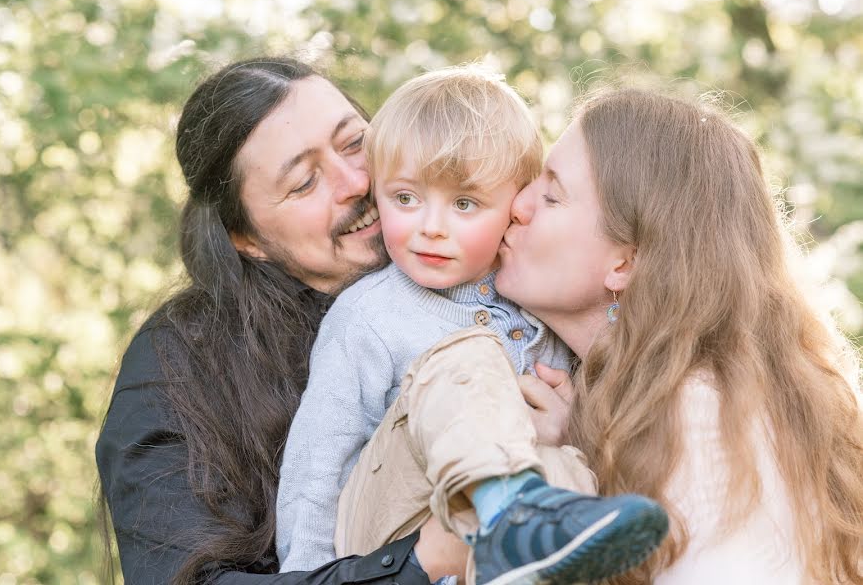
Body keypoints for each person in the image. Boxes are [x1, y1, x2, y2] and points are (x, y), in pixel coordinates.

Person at [276, 66, 668, 585]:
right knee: (469, 357)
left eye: (463, 204)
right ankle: (510, 513)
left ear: (515, 206)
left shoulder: (538, 311)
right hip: (387, 544)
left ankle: (525, 547)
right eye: (405, 198)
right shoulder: (370, 315)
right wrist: (307, 574)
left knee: (564, 464)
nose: (430, 227)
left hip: (480, 558)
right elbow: (317, 463)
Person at [493, 87, 863, 583]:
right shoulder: (651, 401)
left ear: (625, 262)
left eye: (552, 195)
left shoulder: (705, 419)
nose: (517, 204)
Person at [96, 56, 425, 585]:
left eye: (355, 143)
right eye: (303, 182)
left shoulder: (492, 262)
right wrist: (421, 565)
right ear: (245, 238)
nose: (354, 182)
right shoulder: (178, 367)